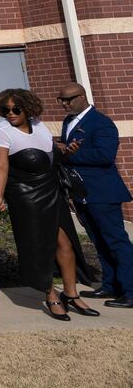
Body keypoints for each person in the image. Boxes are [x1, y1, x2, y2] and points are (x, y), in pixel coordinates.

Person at [0, 88, 93, 319]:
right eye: (5, 109)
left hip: (52, 191)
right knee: (38, 246)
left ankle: (71, 293)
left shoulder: (39, 125)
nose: (10, 113)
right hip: (25, 196)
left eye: (16, 109)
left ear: (28, 109)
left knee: (65, 242)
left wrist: (65, 151)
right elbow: (0, 166)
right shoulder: (1, 131)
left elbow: (50, 155)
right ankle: (50, 294)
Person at [58, 81, 133, 308]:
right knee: (98, 241)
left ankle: (130, 290)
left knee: (116, 241)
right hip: (82, 193)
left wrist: (70, 155)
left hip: (102, 192)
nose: (64, 104)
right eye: (61, 100)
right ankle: (110, 285)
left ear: (82, 97)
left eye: (68, 99)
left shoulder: (101, 123)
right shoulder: (69, 121)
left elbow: (104, 155)